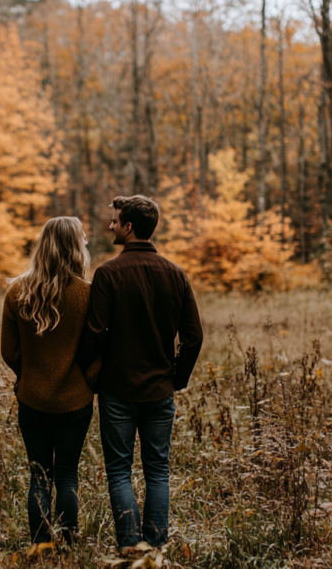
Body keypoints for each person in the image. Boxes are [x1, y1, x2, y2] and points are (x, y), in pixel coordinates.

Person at [78, 195, 203, 552]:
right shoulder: (176, 274)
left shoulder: (108, 274)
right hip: (159, 391)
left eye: (115, 221)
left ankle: (131, 547)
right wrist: (176, 377)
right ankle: (156, 548)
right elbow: (193, 337)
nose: (110, 226)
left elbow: (95, 333)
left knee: (119, 471)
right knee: (157, 471)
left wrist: (85, 369)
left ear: (129, 227)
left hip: (117, 390)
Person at [0, 217, 100, 547]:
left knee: (39, 478)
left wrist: (28, 374)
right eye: (83, 238)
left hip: (32, 400)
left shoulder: (17, 290)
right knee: (67, 476)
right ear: (73, 245)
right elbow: (96, 351)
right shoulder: (87, 294)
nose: (86, 242)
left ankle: (40, 546)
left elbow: (9, 351)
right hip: (76, 401)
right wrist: (86, 380)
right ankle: (68, 547)